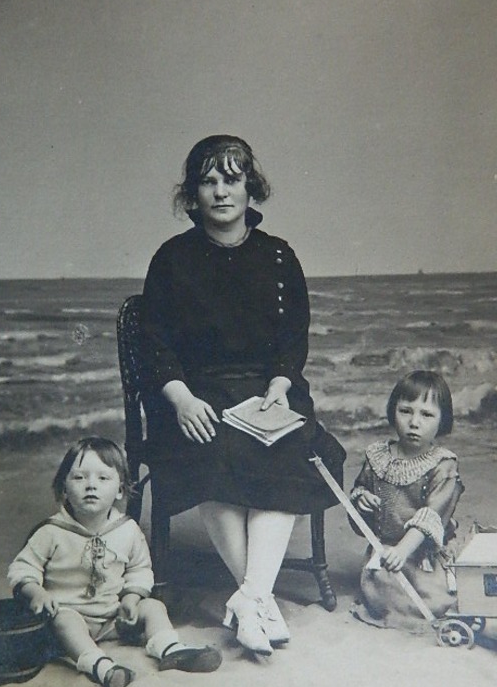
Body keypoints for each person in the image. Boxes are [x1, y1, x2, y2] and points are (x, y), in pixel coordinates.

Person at [140, 134, 345, 657]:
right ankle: (260, 600)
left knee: (293, 449)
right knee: (212, 446)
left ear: (250, 187)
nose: (221, 192)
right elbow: (155, 344)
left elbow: (291, 340)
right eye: (208, 181)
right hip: (196, 393)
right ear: (193, 194)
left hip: (267, 389)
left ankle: (249, 596)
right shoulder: (171, 260)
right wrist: (181, 399)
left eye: (231, 180)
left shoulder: (279, 257)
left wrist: (279, 387)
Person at [7, 436, 222, 687]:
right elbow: (22, 569)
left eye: (103, 478)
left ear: (120, 490)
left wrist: (131, 598)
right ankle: (101, 667)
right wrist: (36, 592)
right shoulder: (52, 532)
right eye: (79, 478)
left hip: (113, 617)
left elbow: (139, 570)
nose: (90, 486)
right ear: (63, 488)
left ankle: (168, 648)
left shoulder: (127, 530)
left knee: (153, 606)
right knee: (64, 621)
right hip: (70, 618)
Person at [348, 370, 464, 631]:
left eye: (427, 415)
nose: (414, 423)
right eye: (405, 411)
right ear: (393, 412)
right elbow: (359, 506)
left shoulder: (443, 466)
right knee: (381, 590)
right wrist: (362, 501)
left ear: (442, 420)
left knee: (432, 598)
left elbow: (433, 514)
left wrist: (403, 551)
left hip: (422, 551)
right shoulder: (378, 457)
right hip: (386, 549)